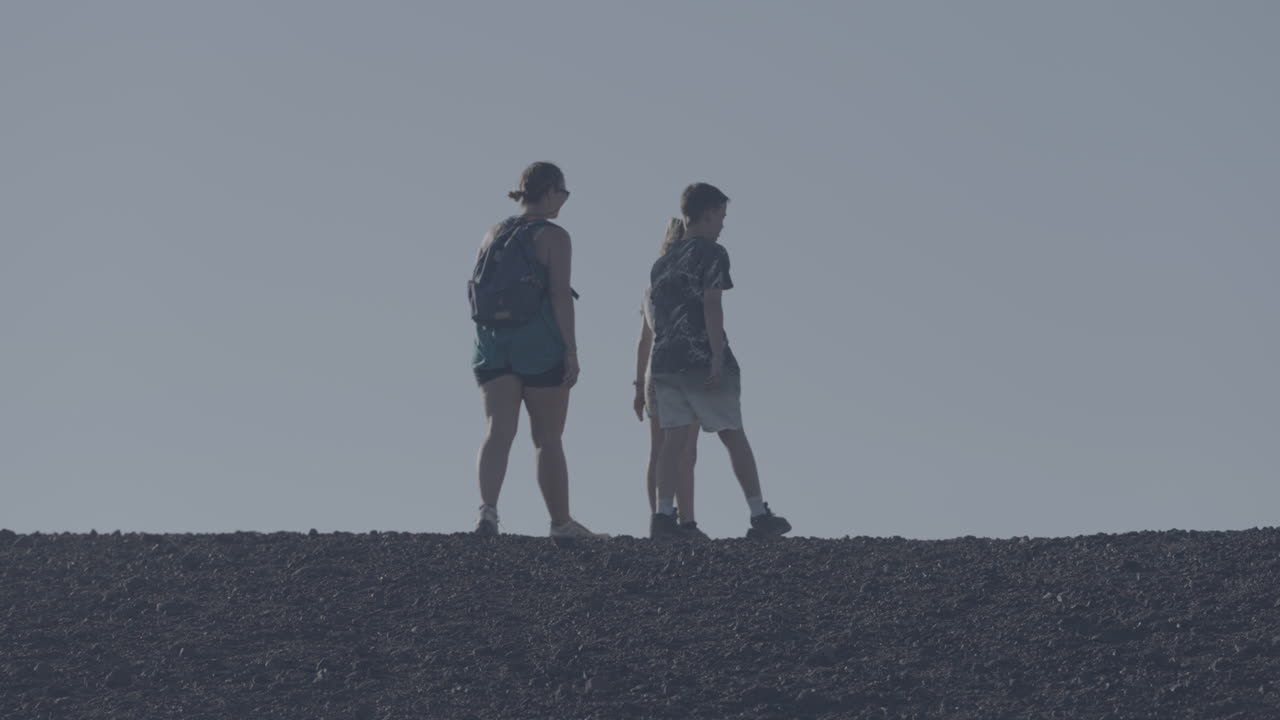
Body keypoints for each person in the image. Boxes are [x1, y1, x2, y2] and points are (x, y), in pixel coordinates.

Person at [647, 183, 792, 540]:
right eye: (722, 216)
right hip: (699, 355)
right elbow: (712, 304)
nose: (723, 225)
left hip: (666, 360)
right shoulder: (711, 253)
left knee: (673, 439)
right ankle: (759, 514)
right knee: (732, 433)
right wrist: (715, 356)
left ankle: (664, 516)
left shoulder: (662, 263)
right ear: (709, 212)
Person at [468, 162, 603, 542]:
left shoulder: (493, 232)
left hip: (493, 342)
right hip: (538, 343)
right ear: (548, 191)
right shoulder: (554, 237)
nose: (564, 200)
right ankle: (561, 523)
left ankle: (488, 513)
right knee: (547, 438)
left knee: (497, 430)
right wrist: (572, 351)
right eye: (563, 192)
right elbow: (560, 295)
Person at [634, 219, 706, 539]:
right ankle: (687, 521)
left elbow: (643, 339)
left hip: (654, 371)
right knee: (686, 451)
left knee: (659, 450)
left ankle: (659, 518)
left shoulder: (652, 285)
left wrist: (637, 385)